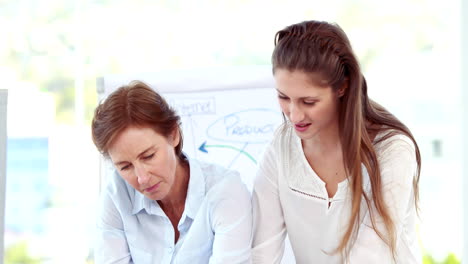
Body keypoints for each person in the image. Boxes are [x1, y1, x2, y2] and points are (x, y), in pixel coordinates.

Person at [252, 20, 422, 263]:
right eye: (283, 97)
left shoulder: (392, 150)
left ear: (342, 87)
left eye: (308, 102)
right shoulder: (281, 147)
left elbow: (370, 254)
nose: (294, 115)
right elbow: (262, 251)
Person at [92, 81, 252, 264]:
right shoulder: (116, 195)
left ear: (174, 134)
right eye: (125, 167)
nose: (142, 178)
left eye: (149, 156)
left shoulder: (226, 191)